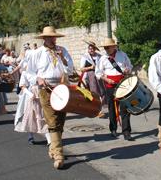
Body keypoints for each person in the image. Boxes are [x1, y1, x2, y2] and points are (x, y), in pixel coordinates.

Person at [26, 26, 74, 169]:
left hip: (62, 88)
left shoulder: (62, 50)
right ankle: (59, 154)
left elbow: (70, 69)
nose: (52, 39)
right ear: (44, 39)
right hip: (45, 89)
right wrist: (38, 79)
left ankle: (53, 148)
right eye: (49, 37)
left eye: (54, 37)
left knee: (60, 119)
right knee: (51, 119)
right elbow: (29, 73)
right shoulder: (37, 53)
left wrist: (62, 59)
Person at [95, 38, 133, 140]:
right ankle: (113, 129)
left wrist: (127, 70)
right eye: (105, 47)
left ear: (114, 46)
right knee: (112, 108)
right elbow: (98, 73)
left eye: (108, 47)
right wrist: (106, 79)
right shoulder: (103, 58)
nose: (106, 49)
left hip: (122, 84)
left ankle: (126, 131)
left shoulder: (122, 55)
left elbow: (130, 66)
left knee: (125, 108)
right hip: (110, 85)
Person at [79, 40, 106, 117]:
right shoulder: (85, 57)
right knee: (94, 93)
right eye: (90, 48)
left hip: (98, 76)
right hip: (89, 76)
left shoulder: (99, 56)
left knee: (102, 91)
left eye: (92, 48)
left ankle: (98, 109)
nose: (91, 50)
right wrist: (91, 67)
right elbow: (81, 69)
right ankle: (97, 111)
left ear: (95, 49)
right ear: (88, 49)